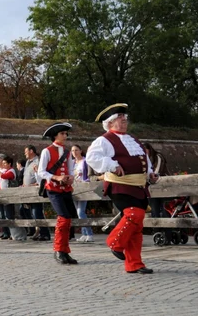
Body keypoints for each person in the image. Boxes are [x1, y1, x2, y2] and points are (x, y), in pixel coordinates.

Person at [86, 103, 159, 274]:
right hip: (119, 185)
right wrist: (111, 165)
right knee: (134, 214)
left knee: (137, 226)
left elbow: (144, 161)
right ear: (110, 122)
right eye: (120, 117)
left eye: (125, 117)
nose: (124, 120)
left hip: (139, 186)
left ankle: (134, 264)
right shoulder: (104, 140)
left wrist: (150, 174)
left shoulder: (133, 139)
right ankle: (114, 242)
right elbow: (92, 157)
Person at [38, 122, 78, 265]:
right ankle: (58, 250)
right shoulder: (47, 151)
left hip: (65, 189)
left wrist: (70, 178)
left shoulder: (67, 152)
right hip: (53, 189)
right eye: (62, 133)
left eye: (66, 134)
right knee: (63, 218)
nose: (65, 136)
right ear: (55, 136)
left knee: (69, 220)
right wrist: (56, 177)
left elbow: (70, 170)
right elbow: (41, 172)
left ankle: (65, 251)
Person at [23, 145, 50, 241]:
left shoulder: (38, 161)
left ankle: (45, 233)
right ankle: (39, 232)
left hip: (36, 190)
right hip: (28, 191)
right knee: (33, 213)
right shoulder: (27, 162)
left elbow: (41, 175)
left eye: (26, 151)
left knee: (37, 212)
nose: (24, 153)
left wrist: (34, 183)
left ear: (31, 151)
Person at [71, 145, 94, 242]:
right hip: (73, 188)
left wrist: (85, 181)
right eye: (72, 150)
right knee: (78, 212)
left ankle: (89, 234)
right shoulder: (72, 163)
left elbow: (88, 175)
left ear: (80, 151)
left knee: (81, 212)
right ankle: (84, 234)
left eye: (76, 150)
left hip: (83, 188)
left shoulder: (85, 161)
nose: (74, 152)